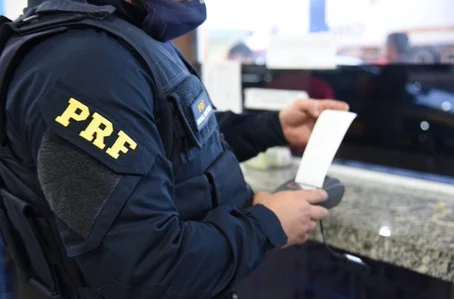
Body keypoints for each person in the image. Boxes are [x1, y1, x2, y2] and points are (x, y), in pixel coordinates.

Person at [0, 0, 349, 299]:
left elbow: (173, 139)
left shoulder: (122, 36)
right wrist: (266, 225)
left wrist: (273, 128)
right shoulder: (85, 64)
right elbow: (146, 270)